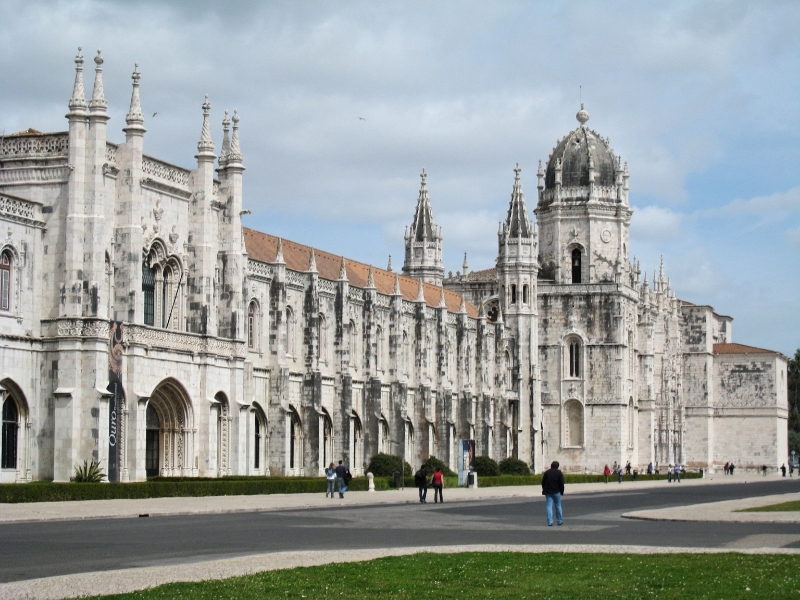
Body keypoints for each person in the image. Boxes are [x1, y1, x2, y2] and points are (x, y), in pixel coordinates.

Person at [541, 460, 565, 526]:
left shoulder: (546, 473)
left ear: (551, 466)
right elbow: (561, 483)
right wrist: (562, 491)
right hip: (557, 491)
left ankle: (550, 521)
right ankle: (559, 521)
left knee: (549, 506)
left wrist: (544, 489)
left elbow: (543, 482)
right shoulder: (559, 473)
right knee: (558, 505)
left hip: (548, 491)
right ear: (558, 467)